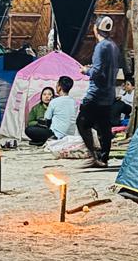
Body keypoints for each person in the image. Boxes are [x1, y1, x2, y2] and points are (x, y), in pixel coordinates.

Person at [77, 16, 121, 167]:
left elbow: (96, 72)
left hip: (96, 93)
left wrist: (86, 70)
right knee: (104, 126)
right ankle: (103, 157)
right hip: (109, 94)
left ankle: (93, 155)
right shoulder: (114, 46)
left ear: (95, 29)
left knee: (82, 122)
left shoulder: (100, 47)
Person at [26, 75, 76, 145]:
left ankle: (49, 140)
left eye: (49, 94)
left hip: (55, 134)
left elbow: (46, 119)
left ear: (59, 87)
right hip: (70, 134)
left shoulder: (54, 102)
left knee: (29, 130)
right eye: (44, 94)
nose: (47, 97)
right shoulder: (73, 102)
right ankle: (44, 140)